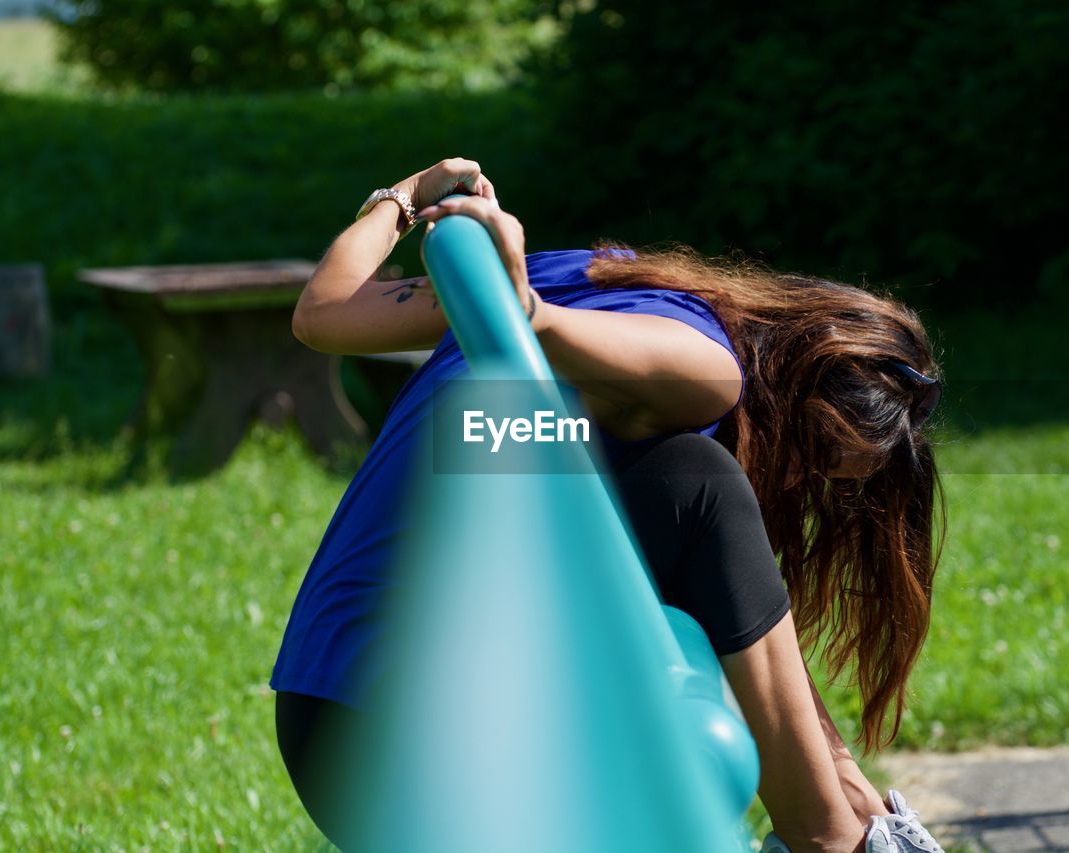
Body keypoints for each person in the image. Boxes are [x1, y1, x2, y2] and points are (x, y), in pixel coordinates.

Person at [272, 158, 947, 853]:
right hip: (420, 735)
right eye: (815, 472)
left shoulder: (598, 275)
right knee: (700, 483)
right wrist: (522, 309)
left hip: (323, 720)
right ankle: (829, 839)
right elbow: (587, 339)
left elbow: (323, 314)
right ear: (800, 398)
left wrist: (405, 197)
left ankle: (846, 817)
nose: (799, 493)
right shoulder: (708, 372)